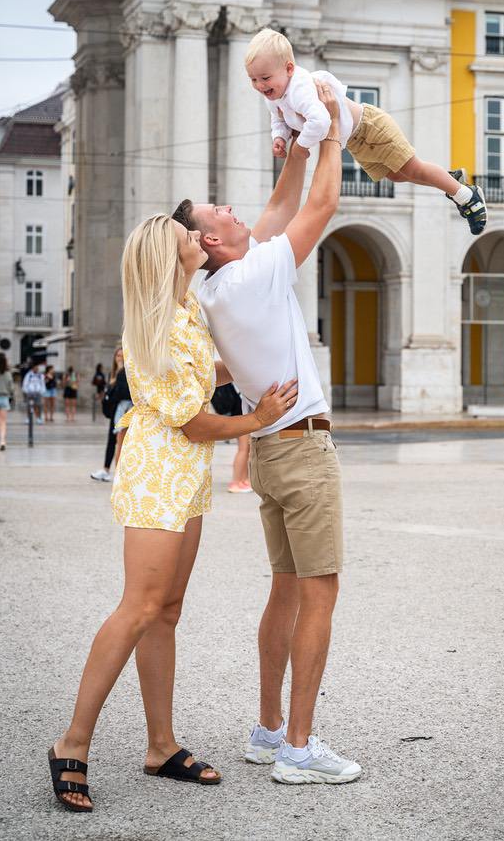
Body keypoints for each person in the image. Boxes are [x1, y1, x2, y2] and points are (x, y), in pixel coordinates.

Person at [48, 213, 296, 813]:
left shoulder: (186, 310)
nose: (198, 239)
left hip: (184, 477)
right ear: (171, 255)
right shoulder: (155, 322)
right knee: (138, 608)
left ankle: (161, 747)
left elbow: (202, 375)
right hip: (157, 475)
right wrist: (258, 420)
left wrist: (243, 357)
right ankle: (71, 743)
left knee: (167, 611)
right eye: (189, 238)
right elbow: (193, 419)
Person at [173, 79, 362, 785]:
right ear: (214, 240)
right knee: (318, 592)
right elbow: (319, 206)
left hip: (276, 454)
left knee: (284, 589)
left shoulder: (221, 284)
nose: (231, 206)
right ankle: (300, 749)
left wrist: (292, 147)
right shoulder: (250, 277)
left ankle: (266, 728)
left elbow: (281, 203)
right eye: (218, 208)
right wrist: (335, 129)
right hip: (304, 450)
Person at [245, 26, 487, 236]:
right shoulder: (274, 94)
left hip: (371, 127)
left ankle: (468, 196)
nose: (260, 85)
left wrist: (300, 147)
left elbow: (320, 121)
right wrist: (279, 136)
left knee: (412, 168)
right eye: (253, 79)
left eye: (265, 78)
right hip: (356, 140)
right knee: (396, 175)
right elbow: (278, 118)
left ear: (289, 68)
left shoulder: (300, 88)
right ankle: (448, 179)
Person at [91, 350, 132, 483]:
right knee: (111, 440)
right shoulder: (113, 373)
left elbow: (123, 392)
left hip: (124, 411)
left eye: (122, 356)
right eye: (118, 355)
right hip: (115, 410)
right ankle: (106, 469)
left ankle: (118, 473)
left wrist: (121, 371)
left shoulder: (126, 372)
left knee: (121, 442)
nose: (120, 358)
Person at [212, 382, 252, 493]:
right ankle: (236, 482)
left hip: (238, 414)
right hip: (241, 415)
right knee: (244, 450)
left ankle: (243, 481)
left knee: (244, 450)